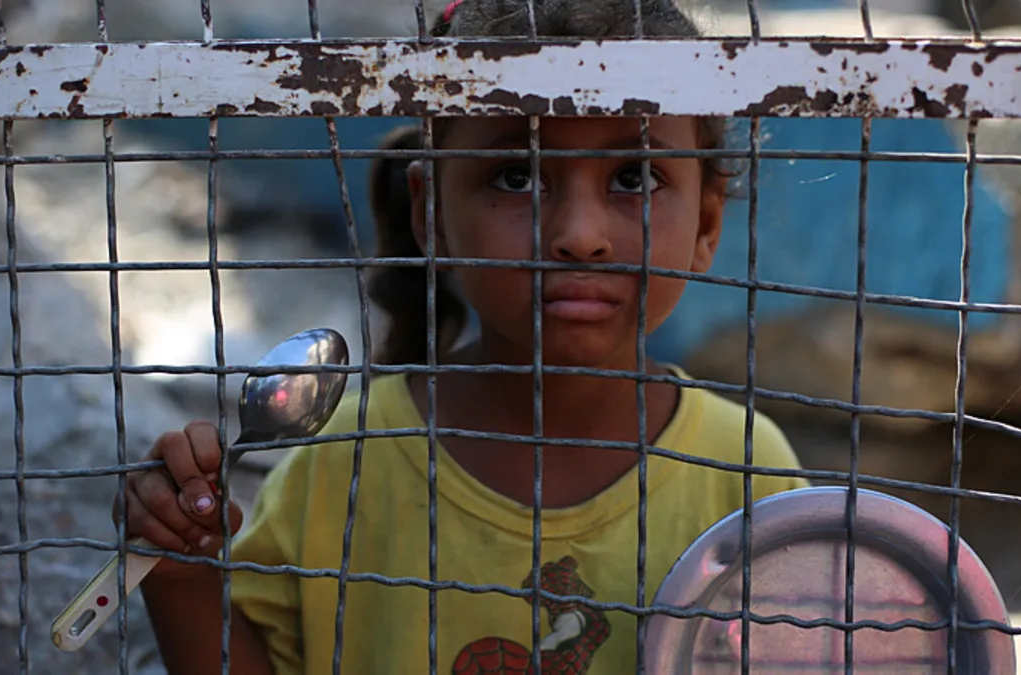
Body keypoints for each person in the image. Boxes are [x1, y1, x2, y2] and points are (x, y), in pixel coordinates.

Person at [123, 1, 811, 673]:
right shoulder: (343, 463)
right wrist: (182, 570)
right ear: (433, 213)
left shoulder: (747, 469)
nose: (579, 236)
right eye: (517, 177)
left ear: (706, 224)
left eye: (634, 177)